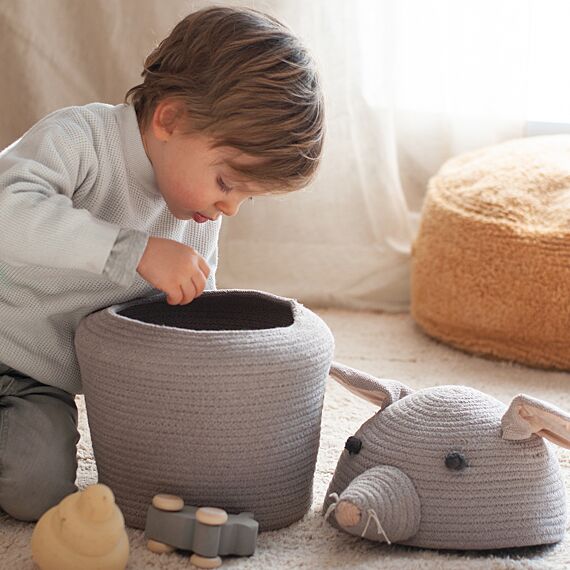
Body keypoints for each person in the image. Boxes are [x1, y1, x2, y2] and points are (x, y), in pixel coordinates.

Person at [0, 6, 324, 521]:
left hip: (36, 380)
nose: (230, 208)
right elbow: (9, 212)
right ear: (169, 119)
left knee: (35, 492)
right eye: (226, 182)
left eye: (247, 196)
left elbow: (193, 319)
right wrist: (133, 251)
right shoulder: (81, 139)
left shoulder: (196, 213)